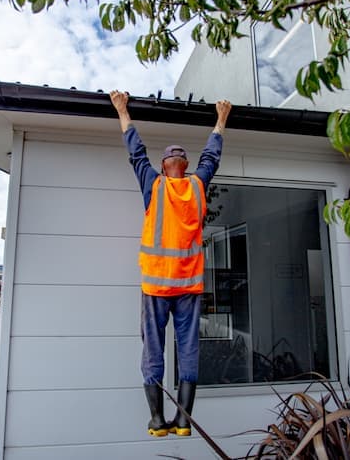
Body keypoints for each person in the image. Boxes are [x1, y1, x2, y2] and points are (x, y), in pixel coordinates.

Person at [109, 90, 232, 438]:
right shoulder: (198, 185)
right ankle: (183, 421)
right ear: (185, 163)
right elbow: (213, 156)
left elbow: (135, 152)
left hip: (156, 286)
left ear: (165, 165)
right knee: (188, 349)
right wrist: (221, 118)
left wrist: (122, 109)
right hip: (188, 287)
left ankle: (157, 420)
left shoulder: (154, 184)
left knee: (153, 349)